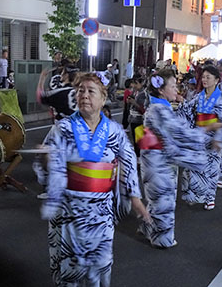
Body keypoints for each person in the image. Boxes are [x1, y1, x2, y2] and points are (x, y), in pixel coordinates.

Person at [39, 73, 151, 286]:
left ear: (103, 98)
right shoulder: (62, 128)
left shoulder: (115, 132)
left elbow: (127, 164)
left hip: (101, 210)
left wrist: (135, 199)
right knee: (70, 266)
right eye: (80, 91)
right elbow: (45, 168)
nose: (84, 95)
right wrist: (46, 159)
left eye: (91, 91)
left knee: (99, 264)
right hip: (69, 210)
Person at [137, 69, 209, 248]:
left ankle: (149, 228)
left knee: (160, 199)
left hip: (157, 160)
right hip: (158, 162)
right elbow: (179, 132)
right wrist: (204, 134)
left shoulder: (159, 107)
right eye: (173, 86)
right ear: (161, 90)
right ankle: (162, 239)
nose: (177, 89)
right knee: (163, 201)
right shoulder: (158, 109)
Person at [181, 65, 222, 210]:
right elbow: (187, 110)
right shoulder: (199, 97)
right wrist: (180, 101)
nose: (204, 80)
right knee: (190, 167)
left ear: (216, 80)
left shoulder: (221, 99)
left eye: (208, 77)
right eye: (203, 77)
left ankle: (210, 197)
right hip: (198, 136)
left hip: (213, 137)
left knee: (212, 168)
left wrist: (218, 137)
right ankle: (193, 193)